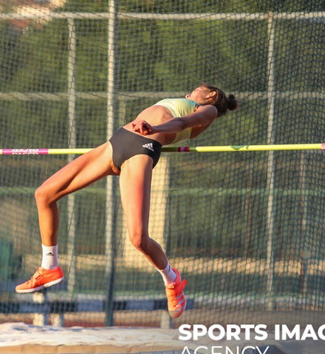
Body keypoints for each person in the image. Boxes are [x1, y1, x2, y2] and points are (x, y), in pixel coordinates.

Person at [15, 84, 238, 318]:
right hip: (117, 142)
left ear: (211, 95)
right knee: (44, 194)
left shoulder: (207, 111)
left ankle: (173, 281)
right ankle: (50, 266)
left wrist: (155, 127)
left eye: (195, 90)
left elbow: (181, 125)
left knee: (138, 239)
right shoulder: (187, 106)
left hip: (141, 149)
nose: (188, 93)